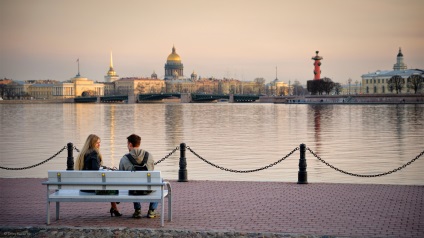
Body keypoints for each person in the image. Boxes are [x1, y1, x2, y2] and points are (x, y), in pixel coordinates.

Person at [75, 134, 122, 217]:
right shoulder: (94, 154)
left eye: (99, 143)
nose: (99, 145)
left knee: (109, 184)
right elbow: (95, 170)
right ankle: (116, 198)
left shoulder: (82, 154)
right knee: (112, 186)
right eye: (97, 143)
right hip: (92, 188)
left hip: (83, 187)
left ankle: (114, 207)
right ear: (92, 144)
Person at [119, 134, 158, 219]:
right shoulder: (149, 156)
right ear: (139, 143)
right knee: (158, 185)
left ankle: (138, 210)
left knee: (133, 184)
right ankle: (152, 210)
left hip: (134, 190)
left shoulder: (124, 159)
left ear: (130, 144)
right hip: (148, 189)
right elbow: (151, 169)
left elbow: (120, 175)